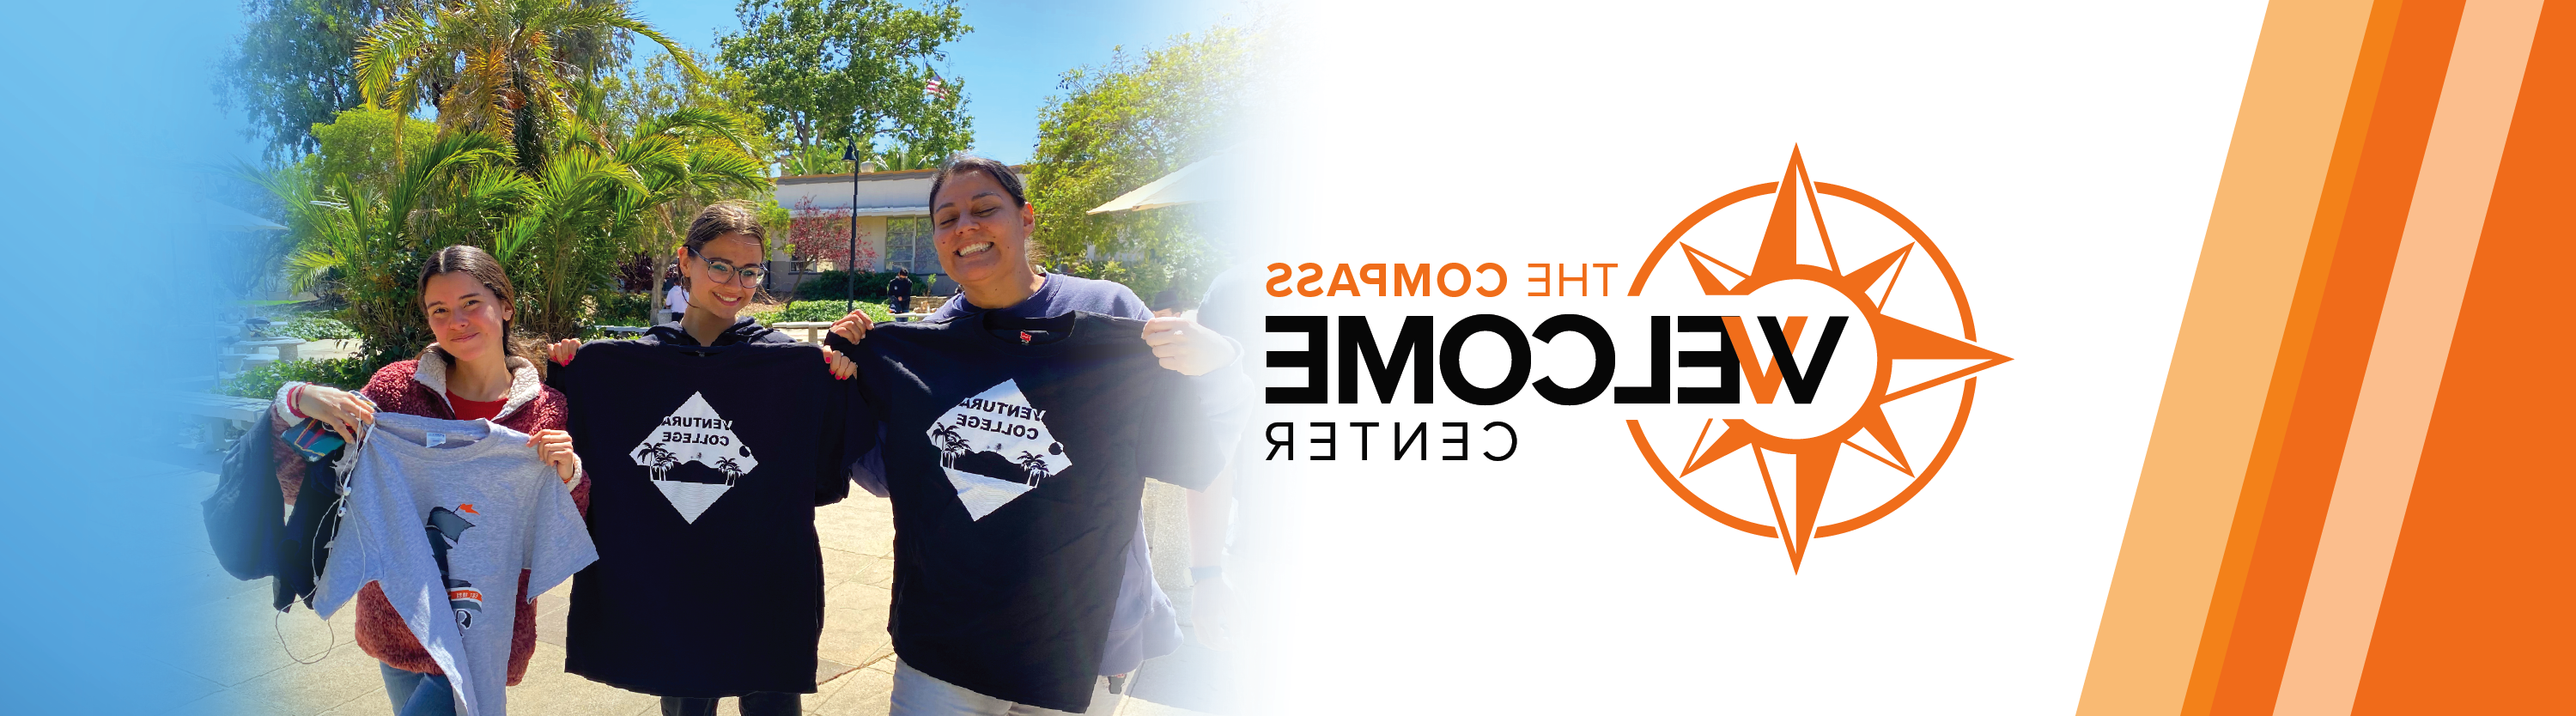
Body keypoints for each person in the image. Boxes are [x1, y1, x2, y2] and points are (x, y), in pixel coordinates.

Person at [829, 156, 1248, 714]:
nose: (966, 227)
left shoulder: (1112, 314)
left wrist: (1222, 369)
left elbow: (1200, 450)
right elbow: (893, 475)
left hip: (1083, 640)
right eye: (947, 218)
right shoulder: (926, 347)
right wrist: (847, 389)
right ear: (935, 238)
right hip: (950, 640)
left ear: (1025, 218)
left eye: (984, 209)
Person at [546, 201, 852, 716]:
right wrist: (575, 373)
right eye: (720, 265)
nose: (736, 283)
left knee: (774, 705)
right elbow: (582, 477)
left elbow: (821, 481)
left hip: (764, 583)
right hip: (674, 587)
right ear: (686, 262)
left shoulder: (787, 368)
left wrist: (834, 381)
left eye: (750, 270)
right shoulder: (630, 369)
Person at [269, 245, 585, 716]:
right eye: (440, 310)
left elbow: (564, 527)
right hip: (400, 620)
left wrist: (570, 475)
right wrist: (295, 401)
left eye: (471, 303)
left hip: (482, 629)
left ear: (506, 305)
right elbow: (304, 485)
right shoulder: (394, 391)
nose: (457, 320)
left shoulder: (548, 409)